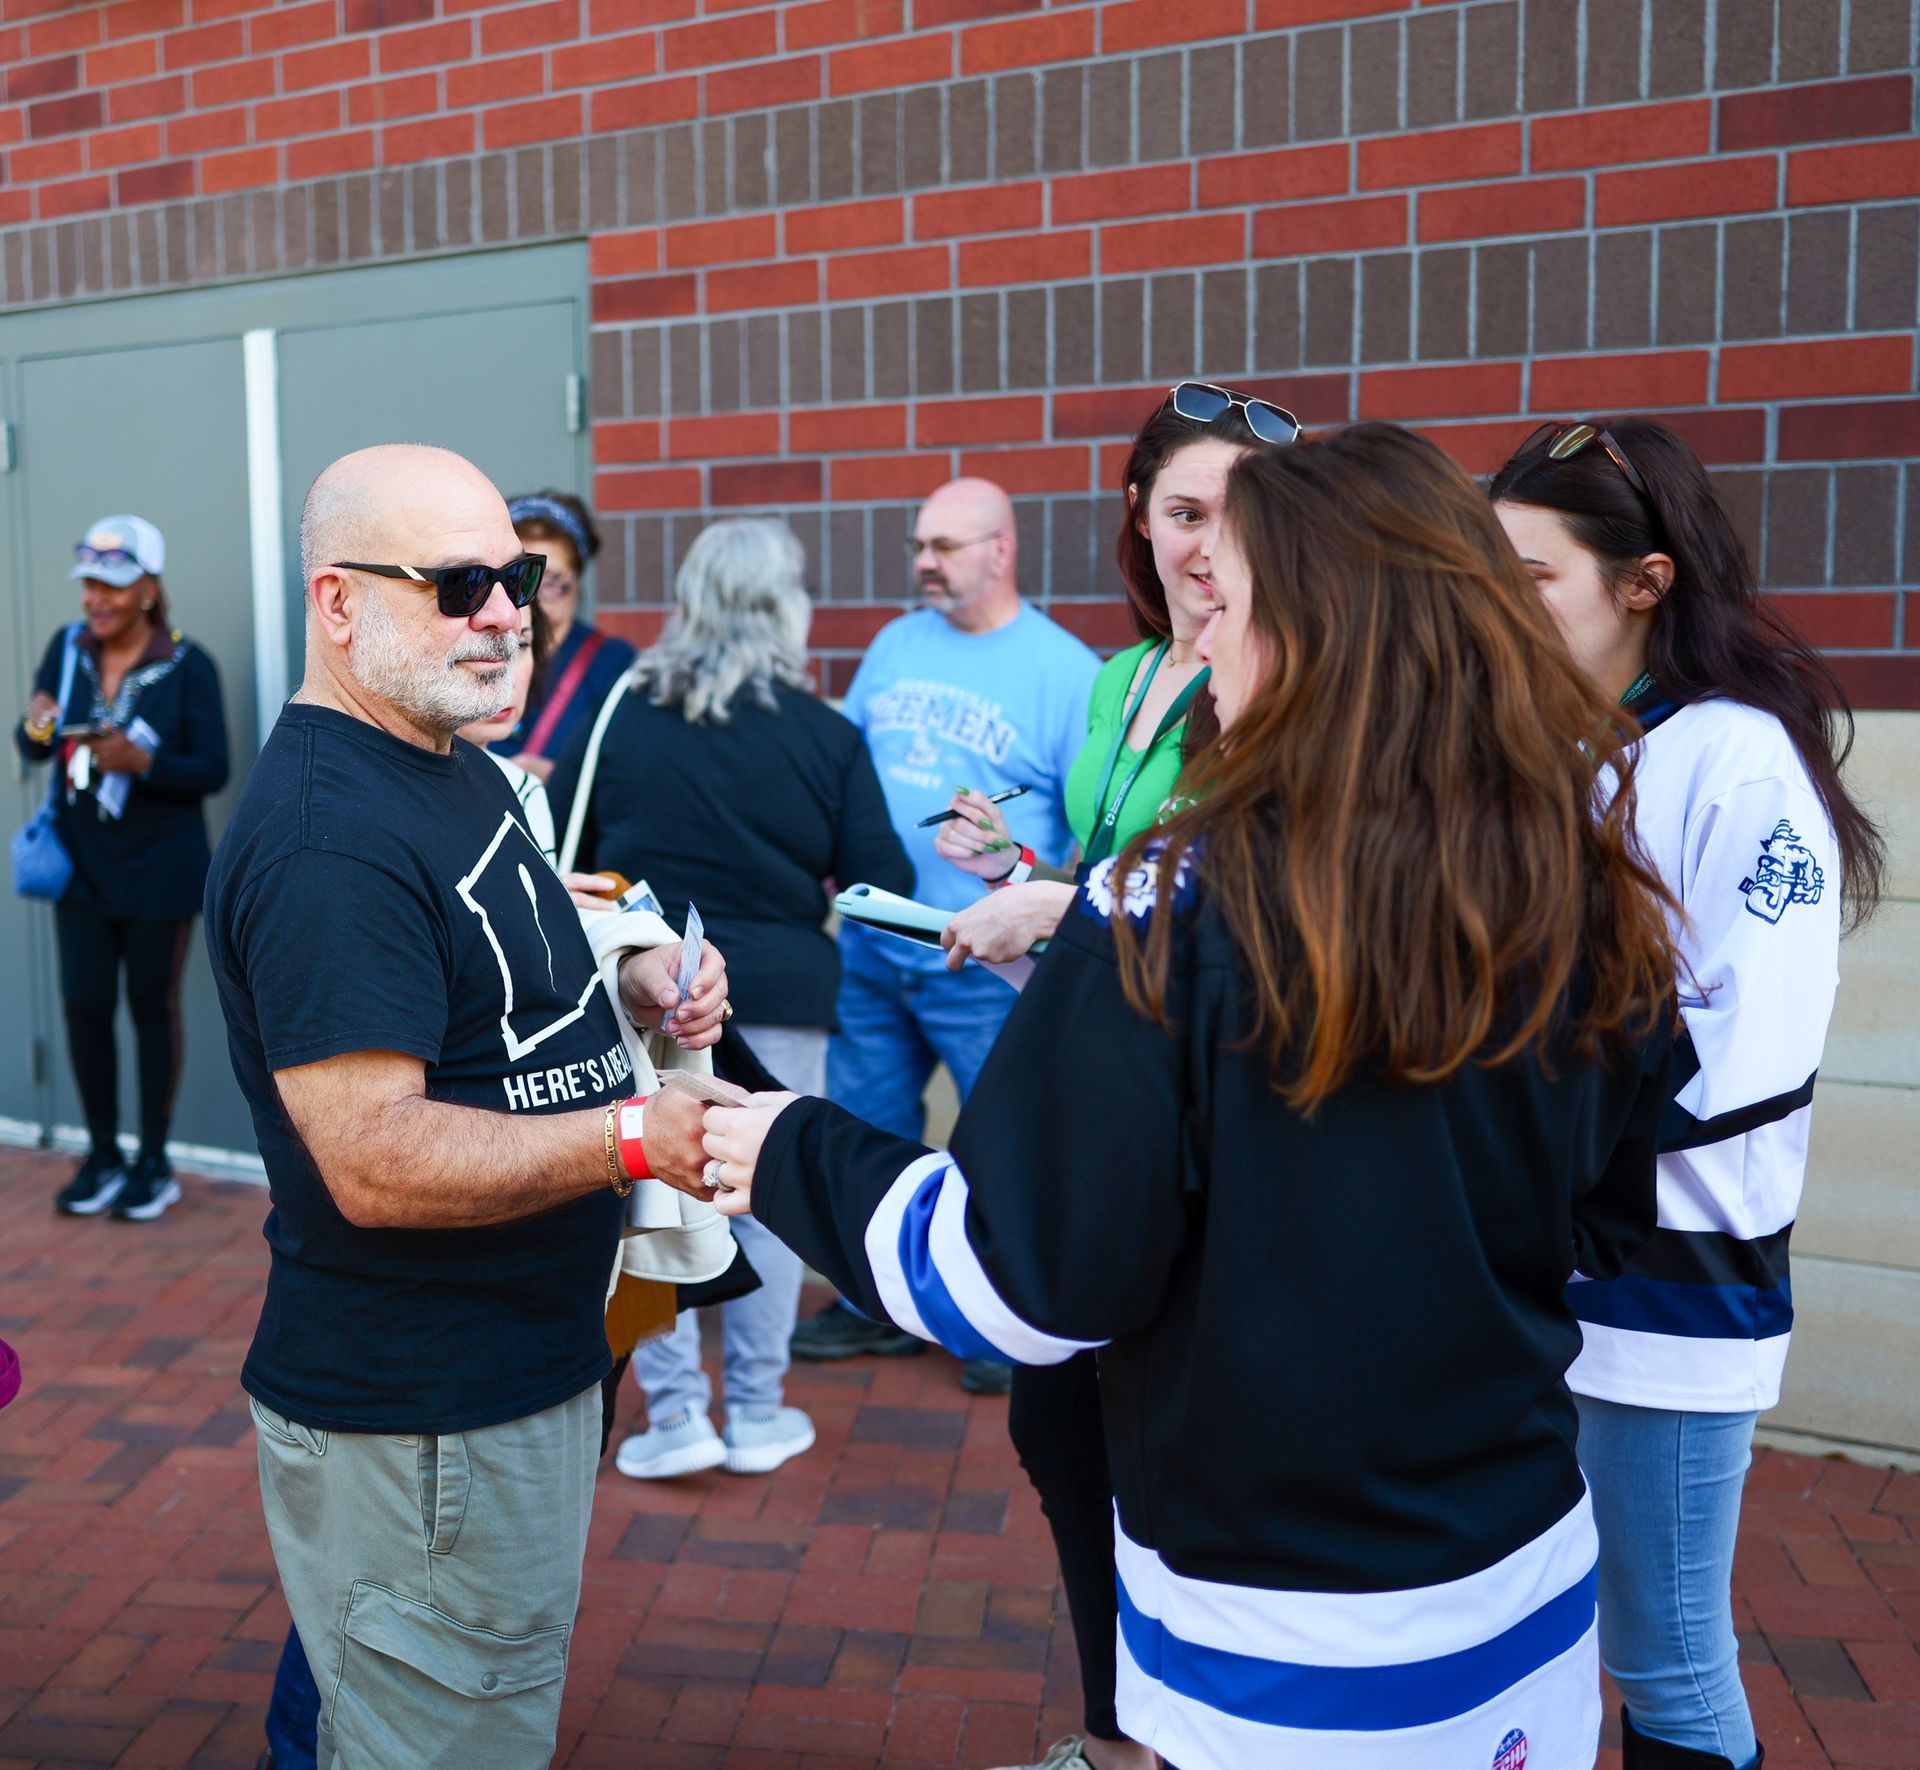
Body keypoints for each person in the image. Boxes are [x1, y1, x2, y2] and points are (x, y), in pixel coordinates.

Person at [700, 424, 1681, 1770]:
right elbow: (1613, 1217)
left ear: (1323, 631)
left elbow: (1011, 1279)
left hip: (1272, 1629)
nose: (1201, 641)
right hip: (1521, 1587)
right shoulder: (1578, 872)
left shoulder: (1172, 907)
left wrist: (778, 1144)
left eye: (1228, 603)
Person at [203, 444, 728, 1767]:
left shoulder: (445, 754)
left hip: (513, 1365)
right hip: (427, 1414)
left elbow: (495, 956)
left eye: (517, 575)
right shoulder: (330, 835)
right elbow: (372, 1157)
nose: (504, 611)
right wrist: (629, 1134)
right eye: (454, 583)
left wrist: (642, 966)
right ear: (338, 604)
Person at [1491, 419, 1885, 1770]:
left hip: (1672, 1285)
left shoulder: (1736, 757)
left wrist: (1536, 1143)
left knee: (1664, 1652)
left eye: (1532, 575)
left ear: (1642, 580)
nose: (1503, 605)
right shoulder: (1566, 748)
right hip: (1558, 1272)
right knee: (1563, 1630)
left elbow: (1750, 1052)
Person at [929, 383, 1294, 1770]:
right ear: (1136, 518)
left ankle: (1159, 1731)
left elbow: (1225, 899)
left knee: (1139, 1428)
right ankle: (1122, 1725)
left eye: (1240, 516)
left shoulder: (1280, 671)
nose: (1208, 546)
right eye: (1184, 511)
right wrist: (1028, 876)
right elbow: (1117, 880)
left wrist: (1063, 902)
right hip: (1098, 1067)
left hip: (1201, 1109)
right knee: (1056, 1416)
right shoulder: (1120, 675)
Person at [547, 516, 913, 1481]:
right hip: (785, 993)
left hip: (645, 988)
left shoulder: (623, 710)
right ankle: (757, 1410)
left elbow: (572, 850)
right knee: (767, 1192)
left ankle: (676, 1417)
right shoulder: (825, 736)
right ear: (785, 608)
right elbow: (877, 876)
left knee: (655, 1192)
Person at [791, 476, 1099, 1394]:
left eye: (943, 547)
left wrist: (1017, 862)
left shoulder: (1065, 671)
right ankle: (871, 1305)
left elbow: (1089, 848)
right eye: (919, 545)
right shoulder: (894, 642)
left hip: (985, 958)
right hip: (879, 943)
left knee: (1003, 1138)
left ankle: (998, 1318)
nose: (923, 563)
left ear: (1000, 550)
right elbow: (846, 762)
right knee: (865, 1127)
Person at [15, 514, 229, 1221]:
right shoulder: (68, 651)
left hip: (159, 871)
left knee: (150, 1008)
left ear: (146, 589)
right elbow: (36, 742)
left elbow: (214, 767)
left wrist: (145, 763)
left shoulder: (188, 665)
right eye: (89, 585)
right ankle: (102, 1155)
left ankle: (153, 1162)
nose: (94, 600)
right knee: (83, 1007)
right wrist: (37, 725)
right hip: (80, 866)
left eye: (111, 585)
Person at [491, 489, 634, 781]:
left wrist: (559, 779)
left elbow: (632, 776)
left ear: (578, 579)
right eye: (524, 576)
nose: (537, 596)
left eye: (554, 581)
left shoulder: (614, 664)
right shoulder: (477, 645)